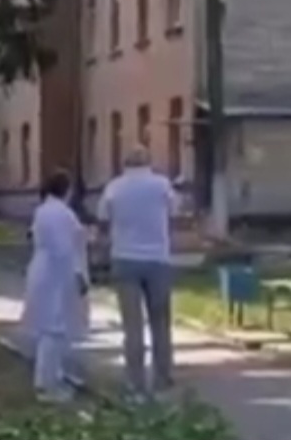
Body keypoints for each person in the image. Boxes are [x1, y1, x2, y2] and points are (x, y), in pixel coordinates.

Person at [97, 145, 178, 400]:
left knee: (132, 325)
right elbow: (174, 212)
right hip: (157, 259)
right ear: (148, 162)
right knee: (160, 321)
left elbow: (102, 219)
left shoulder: (114, 187)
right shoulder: (161, 185)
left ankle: (135, 380)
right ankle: (162, 376)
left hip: (124, 258)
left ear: (125, 164)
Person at [20, 169, 89, 404]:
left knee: (49, 327)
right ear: (67, 190)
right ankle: (46, 384)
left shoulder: (43, 210)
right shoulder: (62, 213)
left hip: (44, 270)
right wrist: (78, 274)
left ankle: (54, 376)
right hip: (56, 274)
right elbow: (64, 248)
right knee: (55, 328)